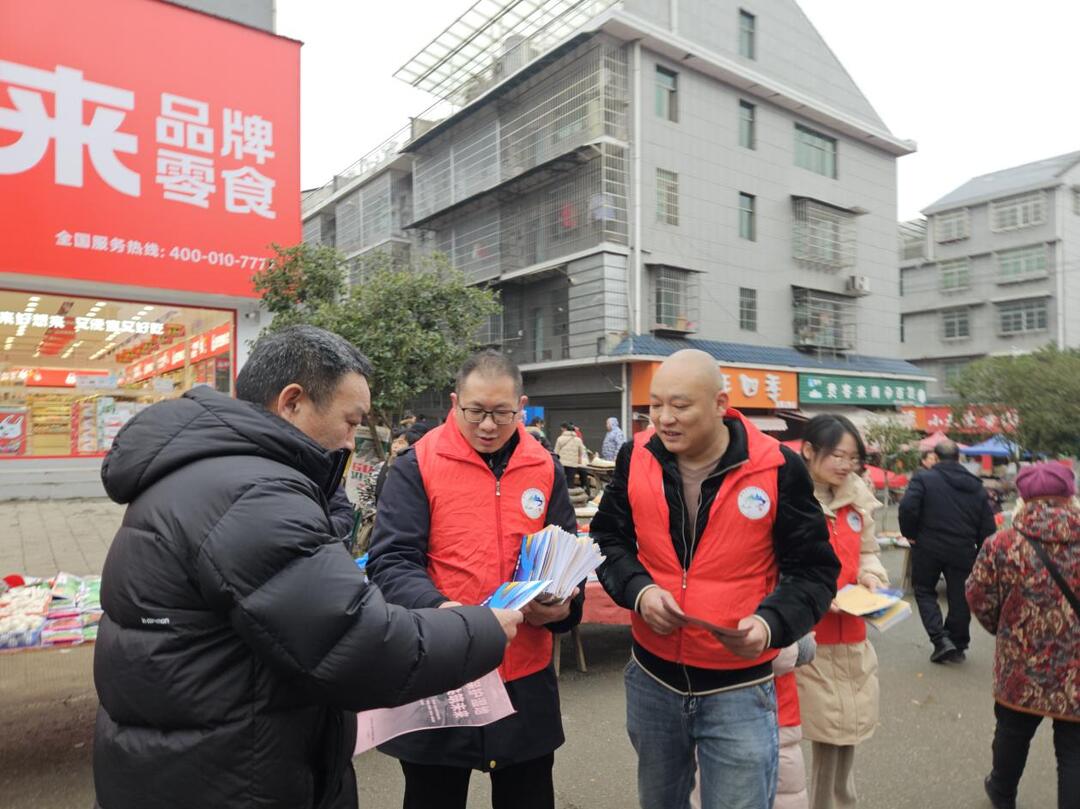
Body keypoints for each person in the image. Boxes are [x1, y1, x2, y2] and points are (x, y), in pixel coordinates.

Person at [92, 326, 521, 809]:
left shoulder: (215, 472)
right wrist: (481, 628)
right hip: (235, 775)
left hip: (206, 756)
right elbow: (358, 645)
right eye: (350, 420)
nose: (351, 441)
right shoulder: (254, 497)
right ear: (292, 402)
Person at [590, 349, 839, 809]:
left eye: (680, 406)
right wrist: (640, 591)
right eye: (655, 405)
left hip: (738, 689)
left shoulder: (776, 468)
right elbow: (607, 539)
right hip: (652, 678)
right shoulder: (635, 456)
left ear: (721, 404)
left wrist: (769, 625)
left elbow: (814, 570)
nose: (664, 418)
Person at [366, 350, 583, 809]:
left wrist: (564, 605)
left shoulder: (545, 468)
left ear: (520, 406)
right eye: (476, 411)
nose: (488, 425)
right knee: (433, 796)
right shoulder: (416, 465)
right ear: (454, 401)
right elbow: (392, 561)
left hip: (523, 670)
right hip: (442, 667)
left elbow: (568, 557)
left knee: (527, 796)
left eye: (502, 413)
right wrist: (447, 614)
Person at [966, 462, 1080, 809]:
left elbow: (978, 595)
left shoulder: (1002, 543)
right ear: (1069, 495)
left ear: (1024, 496)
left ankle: (1002, 794)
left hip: (1021, 663)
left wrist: (1004, 631)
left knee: (1012, 734)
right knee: (1074, 750)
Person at [796, 414, 890, 809]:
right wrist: (817, 595)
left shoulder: (858, 499)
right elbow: (778, 565)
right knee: (827, 732)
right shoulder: (792, 498)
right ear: (808, 451)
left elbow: (868, 552)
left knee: (848, 729)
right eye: (837, 455)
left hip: (852, 633)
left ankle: (842, 800)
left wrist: (871, 577)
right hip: (810, 637)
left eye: (852, 457)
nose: (845, 464)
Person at [899, 439, 997, 663]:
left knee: (924, 590)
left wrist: (910, 534)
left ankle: (940, 639)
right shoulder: (976, 486)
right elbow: (988, 527)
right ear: (958, 458)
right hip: (963, 549)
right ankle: (958, 643)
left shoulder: (924, 478)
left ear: (935, 457)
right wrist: (983, 552)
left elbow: (907, 507)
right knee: (961, 597)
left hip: (928, 545)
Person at [555, 421, 590, 495]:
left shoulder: (560, 438)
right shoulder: (578, 440)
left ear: (565, 430)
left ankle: (561, 496)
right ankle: (570, 498)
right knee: (570, 481)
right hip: (573, 463)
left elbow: (556, 452)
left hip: (562, 463)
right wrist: (579, 458)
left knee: (561, 480)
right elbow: (581, 451)